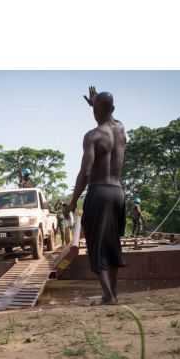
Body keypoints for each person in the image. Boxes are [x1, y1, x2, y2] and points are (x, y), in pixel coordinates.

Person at [67, 86, 127, 305]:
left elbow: (86, 171)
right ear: (113, 108)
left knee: (97, 246)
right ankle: (114, 294)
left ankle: (108, 296)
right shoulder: (120, 128)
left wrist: (72, 202)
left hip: (99, 192)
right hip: (118, 192)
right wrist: (99, 107)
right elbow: (110, 117)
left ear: (95, 112)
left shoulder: (92, 136)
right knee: (112, 245)